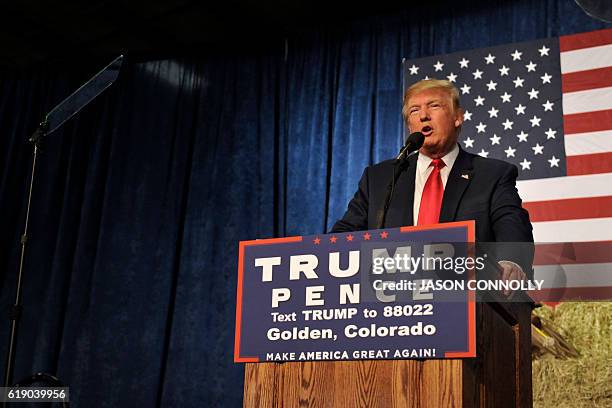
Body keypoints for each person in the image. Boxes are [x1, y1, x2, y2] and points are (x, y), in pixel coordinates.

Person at [331, 79, 534, 288]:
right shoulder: (380, 178)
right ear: (410, 125)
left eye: (434, 106)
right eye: (414, 110)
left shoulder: (492, 174)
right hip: (391, 299)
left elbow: (511, 224)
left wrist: (511, 262)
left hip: (467, 298)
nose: (423, 115)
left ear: (458, 117)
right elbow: (344, 235)